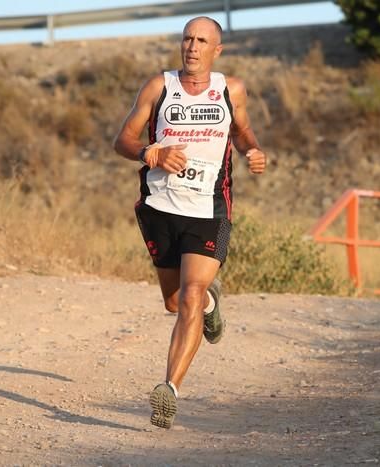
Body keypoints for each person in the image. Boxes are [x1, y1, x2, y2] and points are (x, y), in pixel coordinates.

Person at [112, 16, 266, 429]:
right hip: (160, 207)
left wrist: (253, 152)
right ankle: (212, 306)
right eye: (187, 39)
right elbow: (122, 140)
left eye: (202, 41)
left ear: (217, 50)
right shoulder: (159, 87)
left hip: (208, 209)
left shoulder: (230, 90)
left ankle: (169, 389)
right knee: (175, 301)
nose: (192, 47)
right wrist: (151, 154)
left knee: (192, 294)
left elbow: (244, 132)